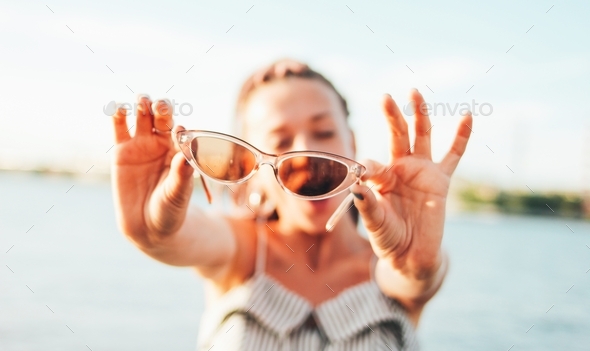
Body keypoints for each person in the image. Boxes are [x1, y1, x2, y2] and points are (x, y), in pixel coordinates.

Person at [110, 59, 473, 350]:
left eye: (324, 131)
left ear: (352, 144)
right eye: (280, 139)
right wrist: (152, 233)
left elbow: (415, 277)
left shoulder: (389, 268)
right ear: (252, 173)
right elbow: (184, 238)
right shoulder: (241, 251)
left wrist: (416, 264)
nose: (303, 152)